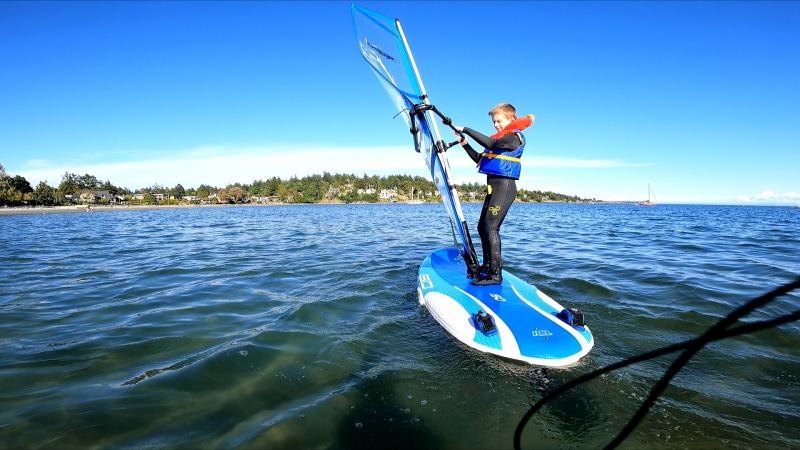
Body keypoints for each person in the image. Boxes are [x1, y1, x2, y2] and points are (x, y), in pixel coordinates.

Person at [454, 103, 534, 285]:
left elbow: (490, 143)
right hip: (494, 189)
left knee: (491, 228)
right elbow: (479, 158)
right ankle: (487, 266)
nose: (496, 125)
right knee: (482, 227)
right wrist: (464, 143)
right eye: (494, 122)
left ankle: (495, 275)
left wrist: (466, 128)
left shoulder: (513, 138)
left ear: (511, 119)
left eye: (499, 121)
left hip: (504, 189)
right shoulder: (499, 141)